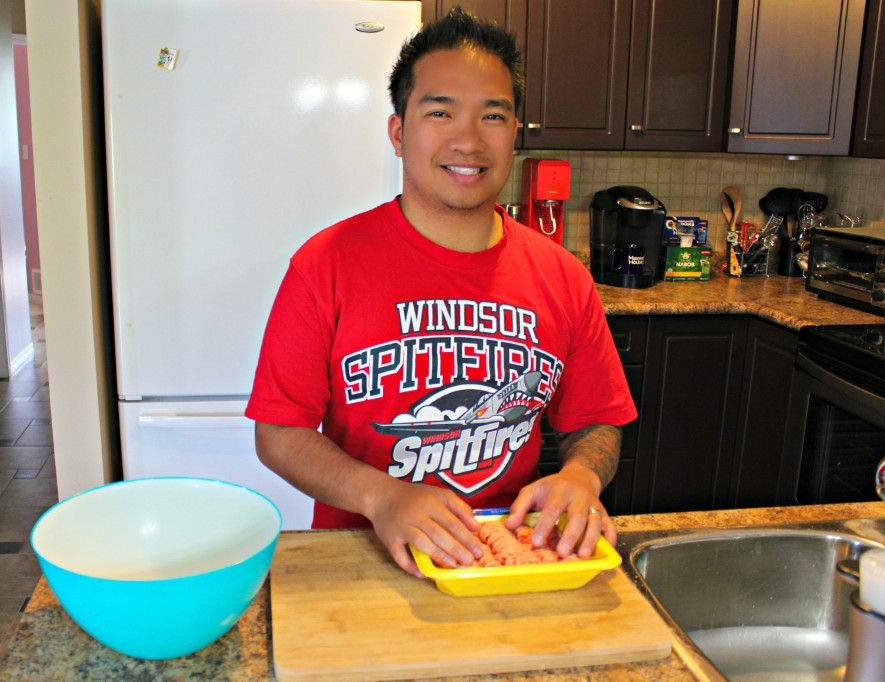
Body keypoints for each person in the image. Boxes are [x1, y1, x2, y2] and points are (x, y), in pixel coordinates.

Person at [246, 8, 636, 578]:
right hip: (360, 561)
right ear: (400, 133)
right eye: (440, 111)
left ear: (514, 133)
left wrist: (582, 476)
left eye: (493, 116)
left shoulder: (563, 277)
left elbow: (597, 420)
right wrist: (383, 497)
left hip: (510, 560)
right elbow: (280, 433)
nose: (469, 140)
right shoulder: (325, 265)